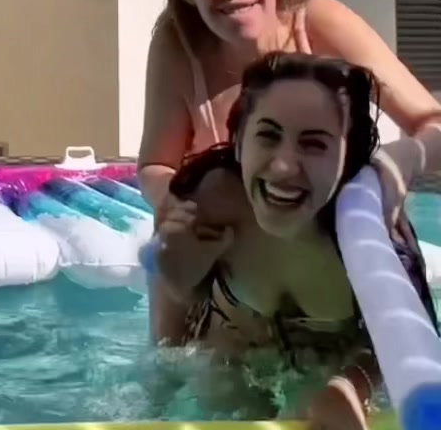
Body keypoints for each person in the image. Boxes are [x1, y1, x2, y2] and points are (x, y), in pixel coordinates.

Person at [138, 0, 441, 340]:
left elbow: (433, 123)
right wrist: (178, 206)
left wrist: (397, 164)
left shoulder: (317, 24)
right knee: (169, 253)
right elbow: (155, 165)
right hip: (237, 267)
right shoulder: (179, 46)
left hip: (329, 260)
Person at [155, 52, 439, 429]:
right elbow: (166, 346)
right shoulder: (211, 198)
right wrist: (179, 284)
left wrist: (352, 385)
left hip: (332, 368)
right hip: (233, 361)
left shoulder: (363, 231)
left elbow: (409, 343)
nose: (284, 166)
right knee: (219, 389)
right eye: (268, 136)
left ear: (347, 157)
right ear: (238, 141)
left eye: (315, 144)